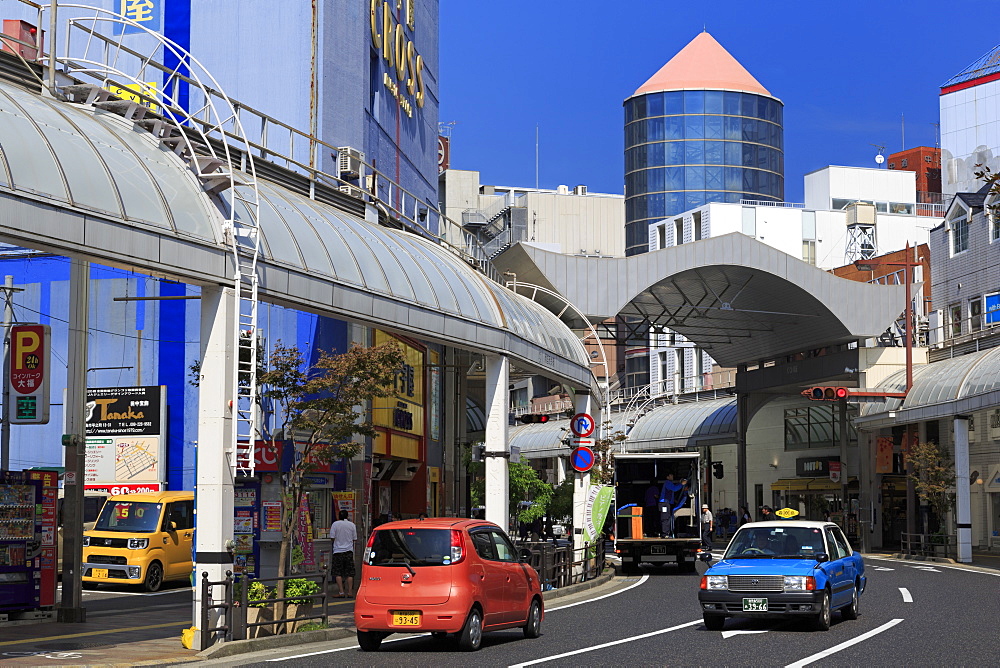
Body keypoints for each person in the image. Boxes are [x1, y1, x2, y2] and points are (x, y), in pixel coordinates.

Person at [329, 510, 357, 598]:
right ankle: (349, 592)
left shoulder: (335, 524)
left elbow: (332, 537)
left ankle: (341, 592)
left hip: (338, 551)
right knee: (349, 573)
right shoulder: (352, 525)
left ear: (339, 516)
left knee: (338, 573)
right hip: (349, 551)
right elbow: (354, 538)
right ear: (347, 516)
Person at [659, 474, 688, 538]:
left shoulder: (669, 483)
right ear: (667, 477)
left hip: (666, 503)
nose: (672, 476)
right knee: (665, 518)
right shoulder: (668, 483)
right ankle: (665, 534)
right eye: (670, 475)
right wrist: (681, 484)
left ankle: (666, 533)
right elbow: (674, 489)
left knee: (667, 518)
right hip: (664, 503)